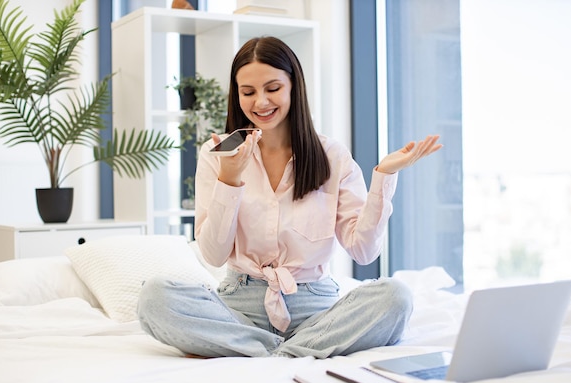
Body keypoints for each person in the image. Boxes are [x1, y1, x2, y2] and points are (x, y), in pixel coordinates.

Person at [138, 36, 442, 359]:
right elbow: (213, 255)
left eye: (272, 88)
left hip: (317, 311)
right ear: (236, 94)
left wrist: (384, 176)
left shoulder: (331, 155)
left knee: (396, 298)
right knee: (153, 299)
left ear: (293, 87)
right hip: (239, 308)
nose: (260, 102)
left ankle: (265, 350)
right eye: (248, 92)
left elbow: (363, 250)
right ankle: (290, 351)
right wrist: (229, 178)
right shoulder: (218, 154)